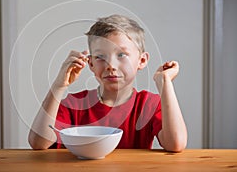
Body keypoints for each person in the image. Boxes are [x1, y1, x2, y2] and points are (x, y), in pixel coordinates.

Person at [28, 14, 187, 152]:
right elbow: (38, 143)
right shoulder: (75, 104)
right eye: (100, 56)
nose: (110, 65)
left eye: (121, 55)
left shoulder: (148, 104)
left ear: (142, 60)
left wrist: (165, 82)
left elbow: (176, 143)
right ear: (90, 64)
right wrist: (59, 85)